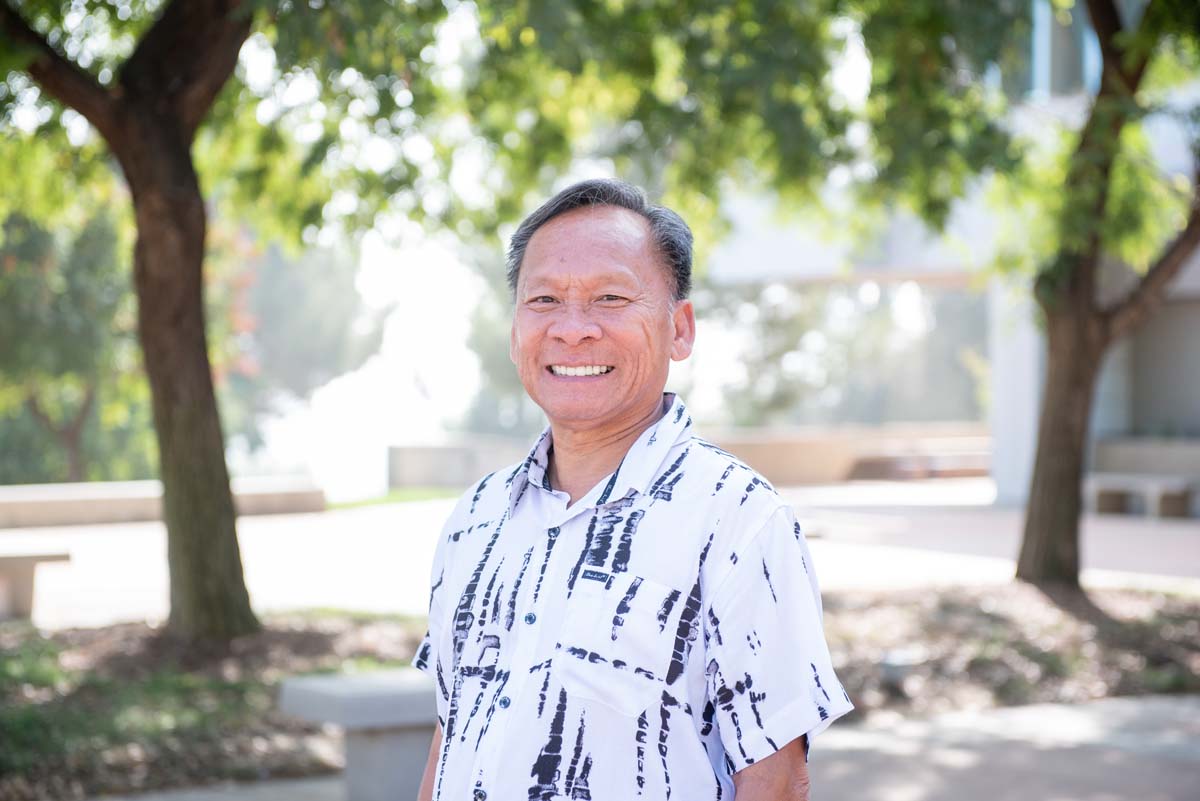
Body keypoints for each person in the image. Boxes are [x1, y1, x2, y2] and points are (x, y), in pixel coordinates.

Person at [411, 178, 853, 801]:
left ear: (680, 329)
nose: (573, 329)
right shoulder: (475, 518)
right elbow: (449, 736)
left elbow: (778, 779)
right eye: (543, 300)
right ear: (514, 330)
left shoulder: (737, 519)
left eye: (611, 297)